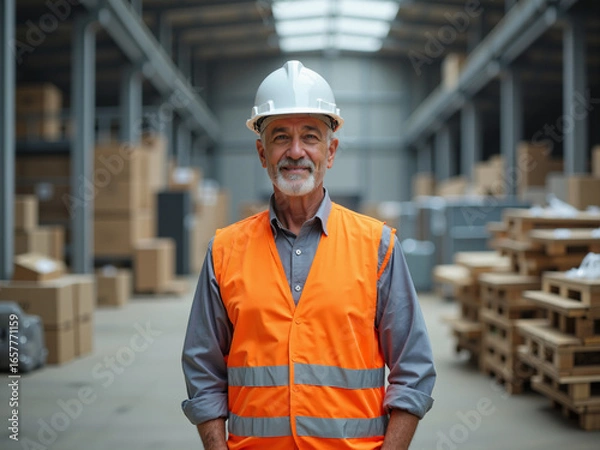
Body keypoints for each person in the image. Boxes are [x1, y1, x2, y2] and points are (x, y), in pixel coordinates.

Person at [181, 60, 436, 450]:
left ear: (330, 151)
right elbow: (203, 371)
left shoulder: (377, 246)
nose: (295, 151)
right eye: (280, 136)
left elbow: (414, 370)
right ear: (262, 153)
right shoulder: (224, 251)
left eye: (311, 137)